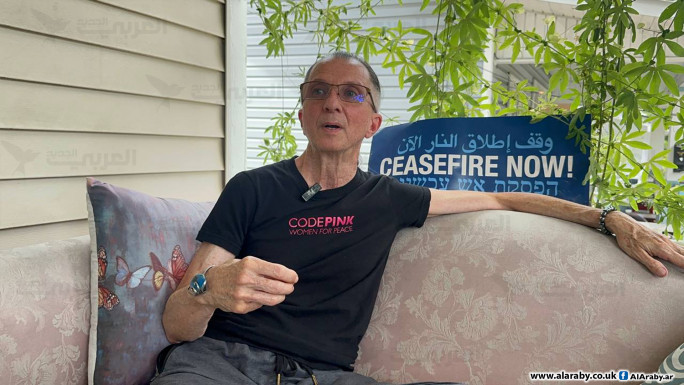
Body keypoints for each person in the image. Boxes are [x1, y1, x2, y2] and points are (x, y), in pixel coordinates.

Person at [152, 51, 684, 385]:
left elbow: (507, 199)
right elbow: (177, 325)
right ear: (302, 113)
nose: (332, 102)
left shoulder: (389, 198)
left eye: (351, 93)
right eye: (318, 90)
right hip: (219, 363)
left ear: (373, 123)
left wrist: (610, 218)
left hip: (323, 376)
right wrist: (206, 287)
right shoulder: (252, 188)